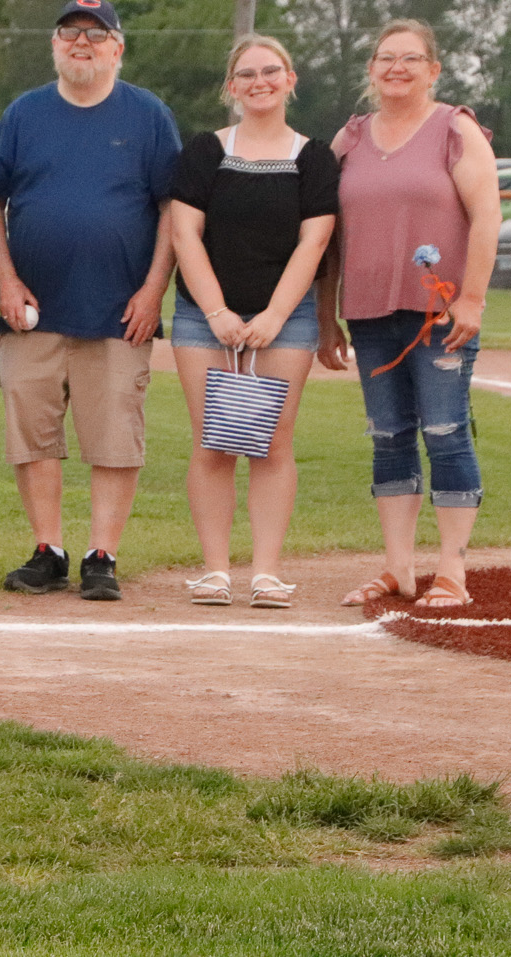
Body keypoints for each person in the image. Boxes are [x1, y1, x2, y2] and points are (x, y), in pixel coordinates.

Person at [0, 0, 181, 601]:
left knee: (115, 436)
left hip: (119, 309)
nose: (82, 43)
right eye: (70, 32)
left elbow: (172, 209)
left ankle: (102, 555)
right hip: (33, 309)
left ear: (118, 48)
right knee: (32, 433)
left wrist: (153, 289)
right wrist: (5, 280)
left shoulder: (147, 114)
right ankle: (49, 550)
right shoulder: (25, 113)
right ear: (54, 45)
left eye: (96, 34)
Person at [320, 19, 501, 611]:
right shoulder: (350, 138)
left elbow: (487, 215)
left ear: (433, 70)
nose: (396, 68)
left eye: (411, 58)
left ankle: (451, 570)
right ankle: (398, 568)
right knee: (389, 437)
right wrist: (326, 315)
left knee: (446, 433)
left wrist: (470, 299)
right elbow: (326, 236)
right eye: (385, 58)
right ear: (371, 69)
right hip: (369, 312)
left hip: (438, 313)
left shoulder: (455, 128)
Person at [168, 35, 338, 609]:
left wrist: (274, 316)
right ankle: (215, 571)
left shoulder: (313, 157)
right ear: (231, 87)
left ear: (290, 80)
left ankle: (266, 573)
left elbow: (314, 242)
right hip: (203, 318)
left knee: (272, 443)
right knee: (213, 442)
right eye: (246, 74)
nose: (259, 81)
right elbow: (185, 233)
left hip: (285, 320)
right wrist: (217, 311)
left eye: (270, 71)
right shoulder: (205, 151)